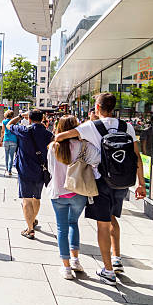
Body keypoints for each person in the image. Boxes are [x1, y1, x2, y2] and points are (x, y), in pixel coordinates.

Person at [55, 93, 145, 285]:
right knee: (113, 218)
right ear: (113, 108)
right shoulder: (126, 126)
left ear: (97, 107)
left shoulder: (90, 127)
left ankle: (108, 270)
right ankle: (117, 258)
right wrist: (142, 184)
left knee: (102, 224)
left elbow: (61, 136)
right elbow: (136, 157)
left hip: (101, 182)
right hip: (122, 182)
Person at [47, 115, 100, 279]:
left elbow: (51, 170)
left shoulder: (53, 147)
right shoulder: (85, 146)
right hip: (79, 192)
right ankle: (76, 260)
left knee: (61, 228)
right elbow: (97, 160)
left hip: (58, 192)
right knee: (73, 223)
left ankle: (66, 267)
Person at [7, 110, 53, 239]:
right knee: (37, 197)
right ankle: (33, 219)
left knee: (26, 199)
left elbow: (9, 125)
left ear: (30, 119)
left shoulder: (24, 130)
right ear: (42, 118)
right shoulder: (48, 134)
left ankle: (30, 229)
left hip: (25, 169)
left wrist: (20, 116)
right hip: (41, 170)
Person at [1, 110, 18, 176]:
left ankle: (7, 168)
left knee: (6, 155)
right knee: (11, 156)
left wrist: (1, 140)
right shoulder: (15, 122)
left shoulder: (4, 121)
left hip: (6, 139)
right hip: (14, 140)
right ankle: (10, 170)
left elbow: (2, 131)